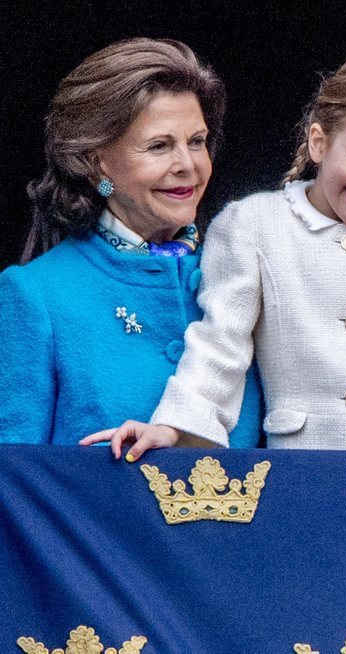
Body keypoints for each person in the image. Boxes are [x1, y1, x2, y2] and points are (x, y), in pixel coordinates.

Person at [84, 50, 346, 461]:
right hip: (302, 464)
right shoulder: (253, 224)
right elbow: (221, 342)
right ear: (318, 142)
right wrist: (175, 426)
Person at [0, 38, 264, 447]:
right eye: (159, 146)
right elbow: (14, 480)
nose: (188, 165)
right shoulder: (36, 295)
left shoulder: (247, 276)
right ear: (95, 162)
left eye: (196, 141)